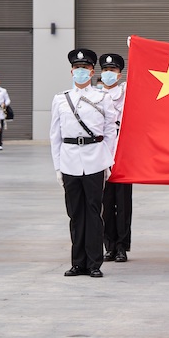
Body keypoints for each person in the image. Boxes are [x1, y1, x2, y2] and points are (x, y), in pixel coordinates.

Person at [50, 49, 118, 278]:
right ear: (71, 71)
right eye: (77, 68)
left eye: (85, 68)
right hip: (69, 160)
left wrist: (108, 162)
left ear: (91, 72)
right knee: (75, 214)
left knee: (93, 212)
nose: (81, 72)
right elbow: (55, 135)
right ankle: (78, 262)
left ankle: (94, 263)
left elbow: (110, 131)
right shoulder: (60, 99)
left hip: (95, 160)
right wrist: (58, 167)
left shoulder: (103, 98)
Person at [99, 52, 132, 264]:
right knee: (105, 203)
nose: (108, 74)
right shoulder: (94, 95)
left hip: (123, 156)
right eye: (105, 70)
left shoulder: (127, 92)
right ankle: (109, 246)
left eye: (113, 70)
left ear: (120, 74)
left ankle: (122, 247)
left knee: (123, 203)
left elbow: (143, 76)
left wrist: (136, 50)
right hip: (100, 155)